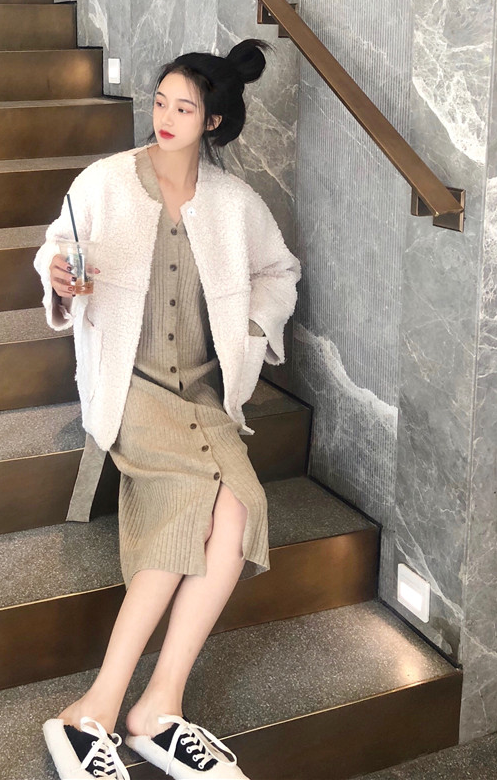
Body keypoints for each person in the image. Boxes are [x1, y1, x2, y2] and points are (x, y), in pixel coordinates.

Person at [36, 39, 301, 780]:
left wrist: (254, 330)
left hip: (204, 393)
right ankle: (93, 707)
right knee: (191, 496)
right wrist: (60, 277)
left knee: (241, 507)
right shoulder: (105, 181)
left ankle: (158, 707)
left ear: (212, 122)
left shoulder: (236, 203)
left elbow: (280, 271)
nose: (165, 116)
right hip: (132, 387)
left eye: (184, 108)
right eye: (160, 101)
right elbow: (57, 247)